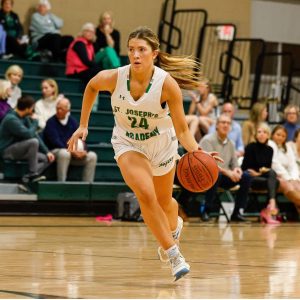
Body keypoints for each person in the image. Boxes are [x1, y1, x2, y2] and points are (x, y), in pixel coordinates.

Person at [67, 26, 222, 281]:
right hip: (128, 143)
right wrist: (83, 124)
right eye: (131, 50)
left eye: (142, 50)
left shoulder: (166, 85)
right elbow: (92, 86)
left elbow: (183, 129)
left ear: (154, 54)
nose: (135, 55)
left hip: (161, 145)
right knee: (146, 195)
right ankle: (174, 255)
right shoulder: (115, 77)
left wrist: (198, 152)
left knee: (164, 203)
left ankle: (173, 230)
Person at [199, 114, 252, 222]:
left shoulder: (231, 143)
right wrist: (228, 173)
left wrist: (237, 170)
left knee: (246, 176)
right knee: (215, 174)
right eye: (223, 122)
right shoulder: (207, 140)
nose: (226, 125)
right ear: (217, 125)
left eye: (228, 123)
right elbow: (209, 165)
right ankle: (206, 211)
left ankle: (236, 213)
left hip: (224, 176)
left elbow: (235, 164)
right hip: (206, 176)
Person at [0, 95, 55, 183]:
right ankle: (33, 173)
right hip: (7, 150)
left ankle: (27, 176)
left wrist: (47, 152)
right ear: (27, 109)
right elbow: (29, 134)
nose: (32, 110)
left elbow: (34, 135)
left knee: (47, 158)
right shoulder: (11, 119)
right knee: (33, 142)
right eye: (32, 108)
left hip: (19, 149)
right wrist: (35, 122)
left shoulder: (24, 117)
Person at [43, 97, 97, 182]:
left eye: (61, 109)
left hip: (72, 152)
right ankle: (62, 183)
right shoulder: (50, 122)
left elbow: (81, 138)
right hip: (56, 151)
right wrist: (71, 151)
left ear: (67, 111)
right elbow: (55, 142)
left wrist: (84, 151)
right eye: (57, 108)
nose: (58, 110)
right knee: (64, 153)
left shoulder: (73, 122)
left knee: (92, 156)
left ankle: (87, 186)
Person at [241, 122, 280, 224]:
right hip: (250, 179)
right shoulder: (250, 147)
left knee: (273, 176)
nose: (262, 134)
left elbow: (267, 168)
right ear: (255, 134)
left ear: (268, 135)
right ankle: (270, 207)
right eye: (259, 132)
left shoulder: (270, 150)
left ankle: (269, 207)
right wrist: (259, 173)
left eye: (264, 132)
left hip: (261, 177)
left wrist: (258, 173)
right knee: (274, 180)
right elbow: (245, 167)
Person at [269, 125, 300, 210]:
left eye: (283, 136)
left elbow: (292, 165)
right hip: (275, 176)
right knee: (289, 186)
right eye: (278, 135)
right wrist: (288, 178)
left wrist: (294, 178)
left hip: (288, 176)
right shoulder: (270, 144)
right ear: (272, 135)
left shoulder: (287, 147)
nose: (280, 138)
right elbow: (274, 163)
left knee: (297, 185)